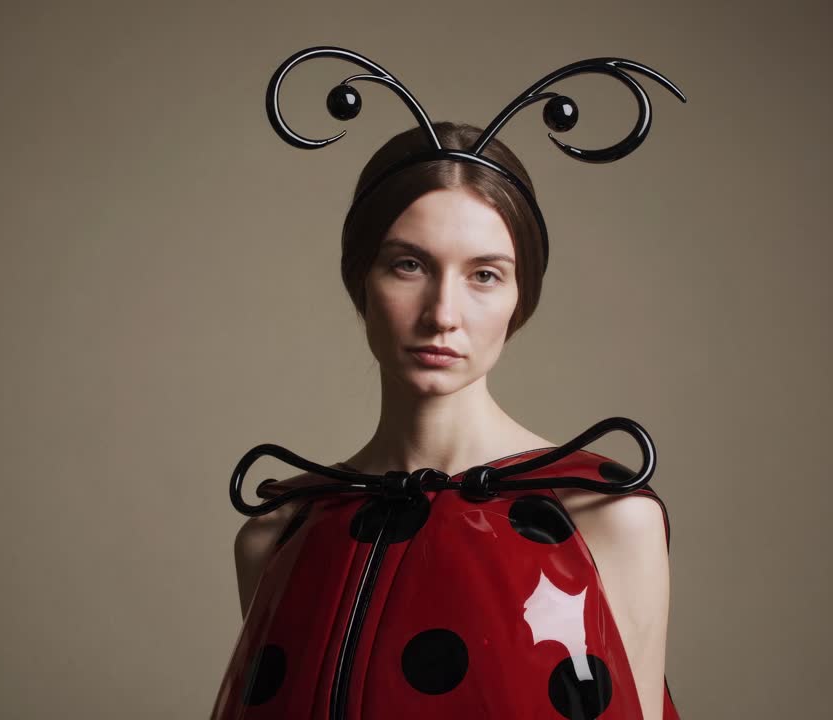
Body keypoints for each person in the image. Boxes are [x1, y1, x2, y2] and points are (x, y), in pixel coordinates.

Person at [212, 46, 684, 720]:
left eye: (484, 274)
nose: (442, 315)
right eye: (408, 265)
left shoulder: (609, 518)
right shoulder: (279, 530)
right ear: (361, 282)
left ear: (521, 297)